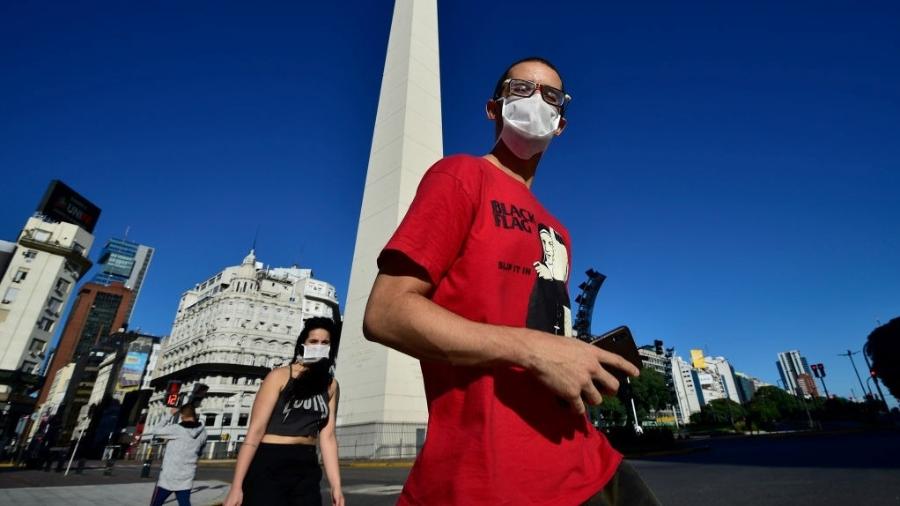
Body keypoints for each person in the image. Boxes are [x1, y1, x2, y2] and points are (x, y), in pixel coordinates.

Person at [363, 57, 660, 505]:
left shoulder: (558, 231)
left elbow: (545, 337)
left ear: (561, 123)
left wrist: (578, 364)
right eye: (521, 89)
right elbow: (386, 312)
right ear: (493, 107)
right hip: (494, 476)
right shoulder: (460, 176)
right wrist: (533, 350)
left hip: (591, 461)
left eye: (551, 96)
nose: (536, 101)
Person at [223, 317, 344, 506]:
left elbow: (328, 438)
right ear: (302, 344)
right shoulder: (279, 376)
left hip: (307, 464)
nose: (319, 346)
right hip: (271, 460)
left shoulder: (331, 385)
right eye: (313, 341)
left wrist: (336, 486)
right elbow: (255, 430)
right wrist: (236, 486)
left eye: (325, 343)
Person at [151, 403, 208, 506]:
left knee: (156, 503)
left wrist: (169, 415)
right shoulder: (203, 432)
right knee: (184, 503)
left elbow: (155, 431)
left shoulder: (177, 429)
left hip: (168, 477)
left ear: (182, 416)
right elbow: (200, 450)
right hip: (186, 476)